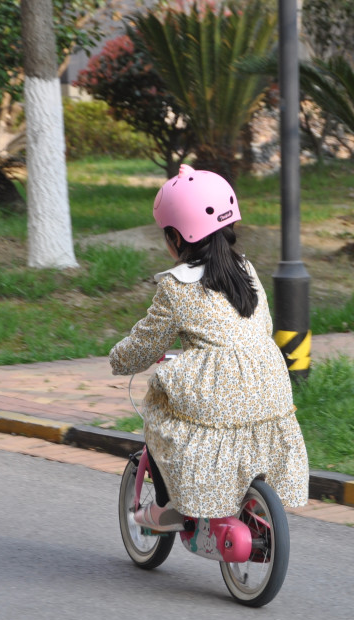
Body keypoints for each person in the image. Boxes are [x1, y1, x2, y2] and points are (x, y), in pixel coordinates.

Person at [109, 165, 309, 531]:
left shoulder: (176, 287)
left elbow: (146, 343)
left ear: (177, 237)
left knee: (162, 415)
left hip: (219, 387)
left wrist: (120, 359)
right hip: (269, 377)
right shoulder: (245, 269)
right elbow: (261, 325)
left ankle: (173, 509)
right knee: (241, 430)